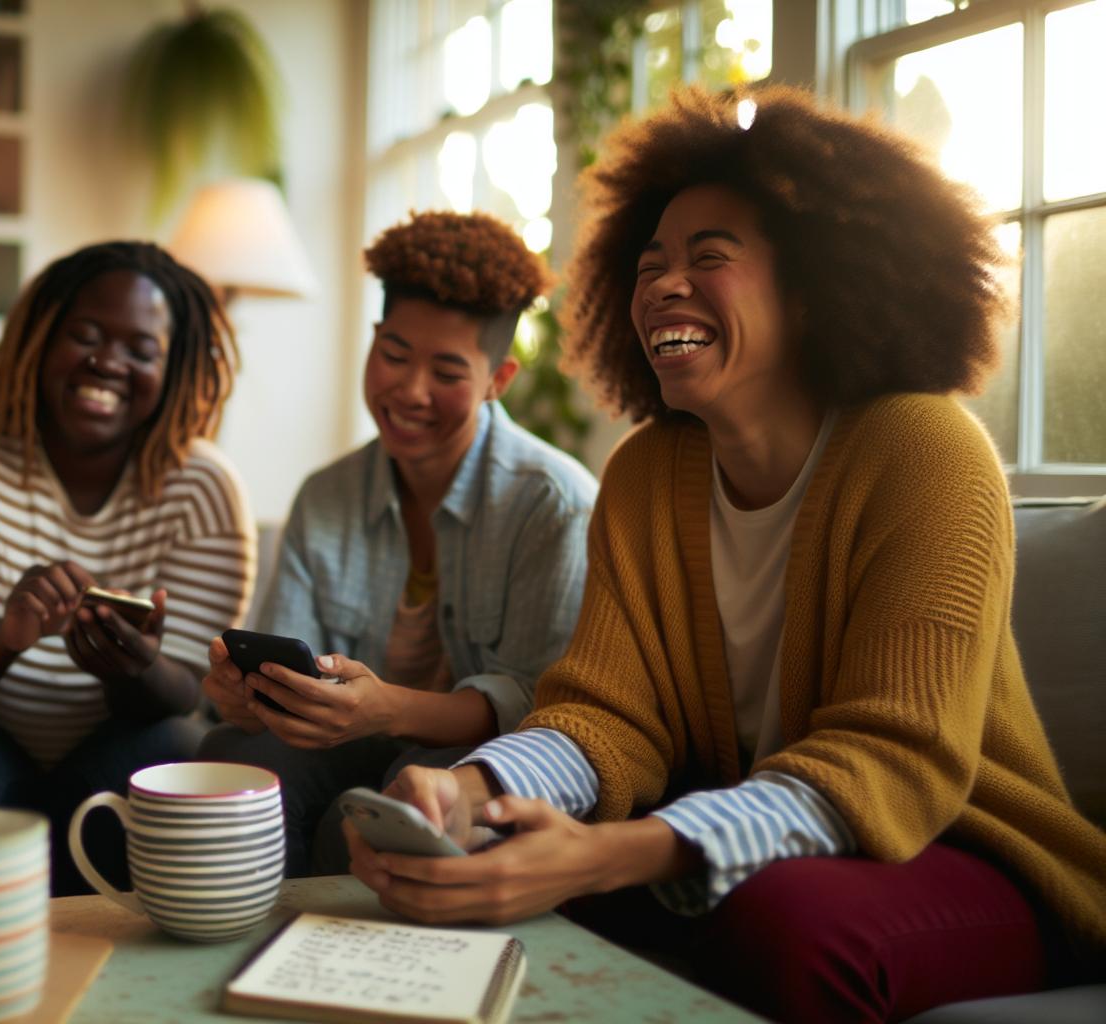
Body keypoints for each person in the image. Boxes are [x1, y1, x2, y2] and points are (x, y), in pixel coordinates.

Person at [347, 86, 1106, 1023]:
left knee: (781, 919)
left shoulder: (926, 452)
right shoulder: (644, 475)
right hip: (755, 839)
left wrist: (614, 853)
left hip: (964, 850)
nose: (664, 285)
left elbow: (894, 758)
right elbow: (605, 717)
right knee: (504, 855)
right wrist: (474, 791)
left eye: (710, 257)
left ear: (813, 286)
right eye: (650, 264)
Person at [200, 211, 596, 877]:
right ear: (374, 342)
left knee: (383, 810)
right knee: (232, 761)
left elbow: (538, 707)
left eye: (447, 372)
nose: (411, 391)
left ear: (499, 380)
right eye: (394, 355)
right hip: (346, 744)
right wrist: (248, 698)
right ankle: (244, 937)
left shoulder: (552, 505)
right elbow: (286, 671)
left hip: (479, 761)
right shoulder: (327, 496)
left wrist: (388, 710)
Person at [0, 241, 254, 895]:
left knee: (181, 749)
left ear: (174, 369)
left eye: (141, 350)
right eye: (85, 335)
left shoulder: (205, 490)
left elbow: (187, 696)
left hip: (122, 747)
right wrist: (7, 636)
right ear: (40, 341)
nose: (107, 362)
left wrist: (135, 668)